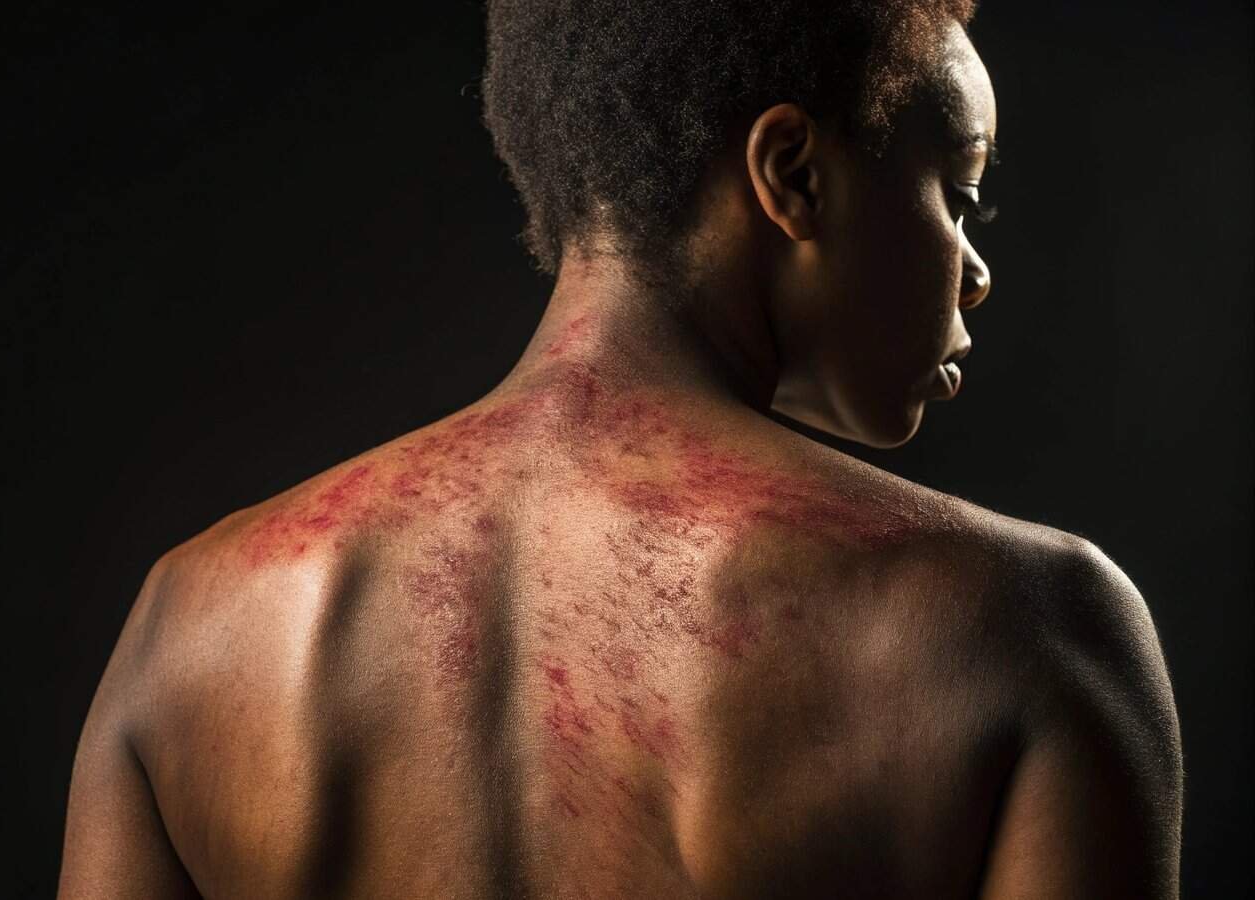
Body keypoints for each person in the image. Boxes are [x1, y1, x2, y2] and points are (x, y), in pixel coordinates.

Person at [57, 2, 1184, 896]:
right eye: (959, 192)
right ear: (790, 173)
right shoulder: (1014, 627)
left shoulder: (189, 623)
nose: (975, 271)